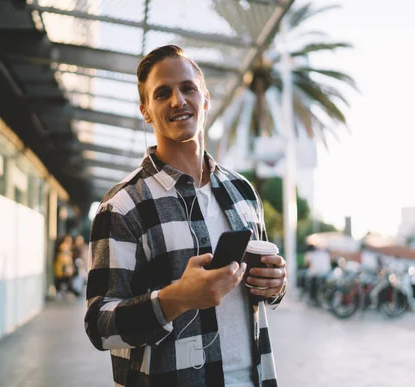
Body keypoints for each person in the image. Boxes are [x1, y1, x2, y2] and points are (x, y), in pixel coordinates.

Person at [84, 45, 287, 387]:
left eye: (188, 88)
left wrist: (275, 285)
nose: (178, 100)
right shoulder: (121, 205)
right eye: (162, 94)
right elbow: (99, 327)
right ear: (145, 111)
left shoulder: (243, 192)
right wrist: (175, 298)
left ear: (205, 99)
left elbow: (262, 289)